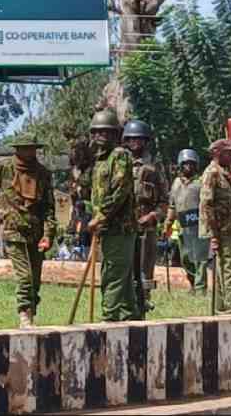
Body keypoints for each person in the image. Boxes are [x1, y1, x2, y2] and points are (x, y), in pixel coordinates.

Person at [0, 134, 57, 328]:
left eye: (32, 148)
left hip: (36, 232)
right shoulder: (4, 168)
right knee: (25, 277)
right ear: (17, 149)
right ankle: (24, 315)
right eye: (25, 148)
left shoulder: (43, 173)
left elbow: (49, 207)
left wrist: (48, 234)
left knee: (35, 279)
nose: (29, 152)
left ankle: (31, 313)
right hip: (13, 230)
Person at [86, 109, 138, 322]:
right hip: (106, 227)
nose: (101, 137)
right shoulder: (100, 160)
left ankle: (110, 314)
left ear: (116, 134)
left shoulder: (120, 155)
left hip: (119, 226)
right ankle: (129, 314)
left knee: (113, 273)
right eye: (97, 132)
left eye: (106, 133)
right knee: (120, 273)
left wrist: (102, 214)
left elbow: (120, 189)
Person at [122, 119, 168, 313]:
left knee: (144, 269)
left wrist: (153, 216)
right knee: (124, 268)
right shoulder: (119, 163)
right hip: (124, 225)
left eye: (139, 140)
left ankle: (144, 302)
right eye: (131, 140)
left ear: (146, 141)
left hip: (146, 227)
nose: (135, 144)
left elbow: (164, 201)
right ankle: (125, 304)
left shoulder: (155, 167)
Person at [199, 139, 231, 313]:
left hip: (227, 228)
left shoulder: (224, 173)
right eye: (228, 153)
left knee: (224, 267)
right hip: (219, 229)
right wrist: (214, 234)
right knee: (228, 267)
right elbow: (207, 204)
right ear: (217, 153)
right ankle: (230, 307)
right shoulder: (212, 173)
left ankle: (221, 306)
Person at [166, 149, 210, 295]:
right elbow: (172, 205)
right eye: (185, 164)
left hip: (198, 225)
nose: (188, 167)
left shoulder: (201, 183)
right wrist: (167, 223)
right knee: (186, 258)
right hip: (182, 226)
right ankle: (192, 283)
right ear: (180, 165)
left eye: (191, 164)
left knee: (200, 259)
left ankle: (200, 288)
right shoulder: (176, 183)